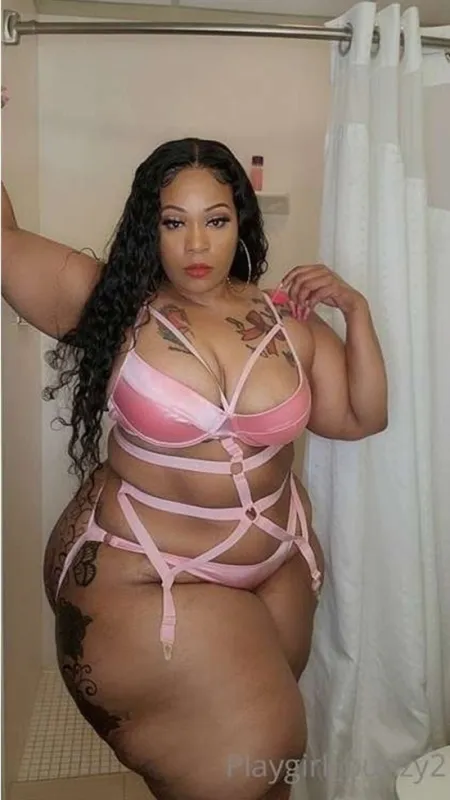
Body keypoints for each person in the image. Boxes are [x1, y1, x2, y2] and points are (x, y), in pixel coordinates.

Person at [2, 135, 387, 800]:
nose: (197, 244)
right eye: (174, 222)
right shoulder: (112, 302)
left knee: (267, 775)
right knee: (248, 756)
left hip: (277, 565)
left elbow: (360, 417)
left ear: (241, 221)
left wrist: (357, 311)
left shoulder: (282, 319)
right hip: (152, 570)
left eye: (216, 220)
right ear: (148, 228)